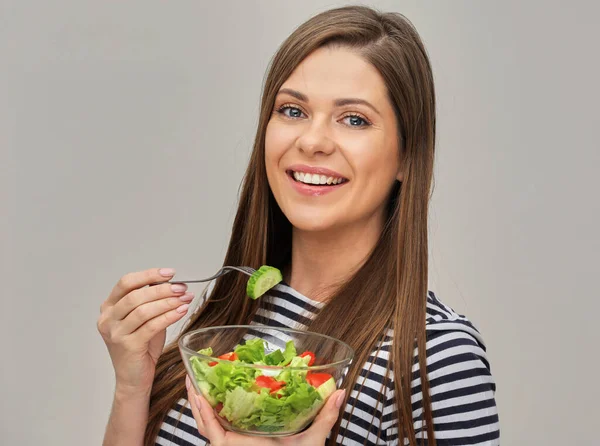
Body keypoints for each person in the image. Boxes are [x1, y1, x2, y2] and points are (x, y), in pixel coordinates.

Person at [98, 5, 500, 446]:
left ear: (407, 155)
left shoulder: (436, 356)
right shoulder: (235, 312)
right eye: (292, 111)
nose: (311, 141)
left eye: (354, 119)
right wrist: (132, 388)